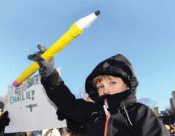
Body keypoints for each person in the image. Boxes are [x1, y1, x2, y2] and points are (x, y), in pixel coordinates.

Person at [28, 45, 169, 136]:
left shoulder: (139, 113)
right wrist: (49, 73)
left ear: (127, 85)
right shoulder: (93, 112)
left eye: (112, 82)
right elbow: (66, 101)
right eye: (100, 86)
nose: (105, 88)